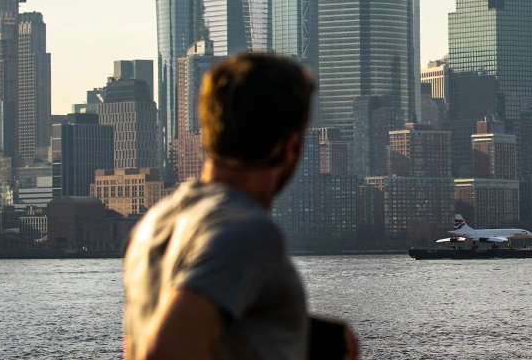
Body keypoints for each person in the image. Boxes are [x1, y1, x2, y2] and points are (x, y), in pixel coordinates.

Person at [123, 53, 358, 360]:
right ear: (290, 146)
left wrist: (291, 333)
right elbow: (162, 351)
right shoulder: (247, 233)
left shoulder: (154, 225)